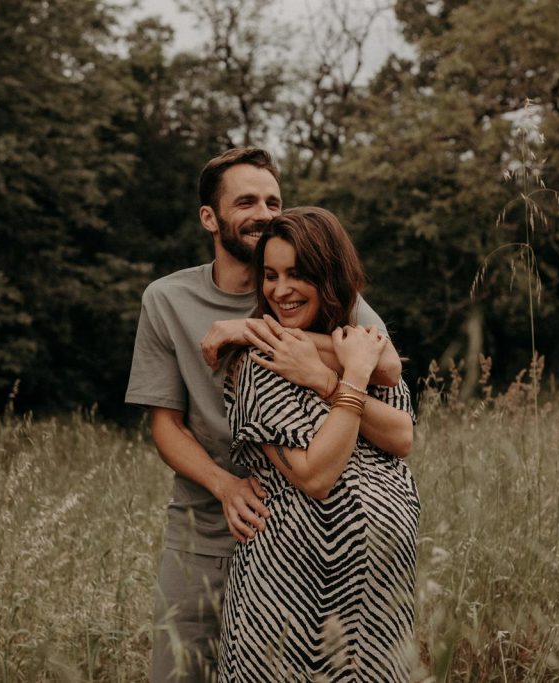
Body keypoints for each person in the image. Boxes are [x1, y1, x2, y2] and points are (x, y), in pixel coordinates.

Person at [124, 148, 401, 683]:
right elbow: (165, 426)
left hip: (300, 531)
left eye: (274, 200)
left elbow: (384, 362)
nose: (264, 211)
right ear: (210, 217)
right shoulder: (166, 299)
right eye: (246, 200)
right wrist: (225, 487)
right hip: (203, 530)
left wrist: (252, 330)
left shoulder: (304, 286)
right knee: (180, 672)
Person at [218, 207, 420, 682]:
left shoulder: (361, 345)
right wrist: (350, 378)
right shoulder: (259, 364)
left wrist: (327, 380)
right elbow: (315, 475)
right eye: (270, 275)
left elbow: (402, 436)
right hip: (292, 599)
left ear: (329, 274)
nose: (280, 290)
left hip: (378, 606)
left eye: (297, 273)